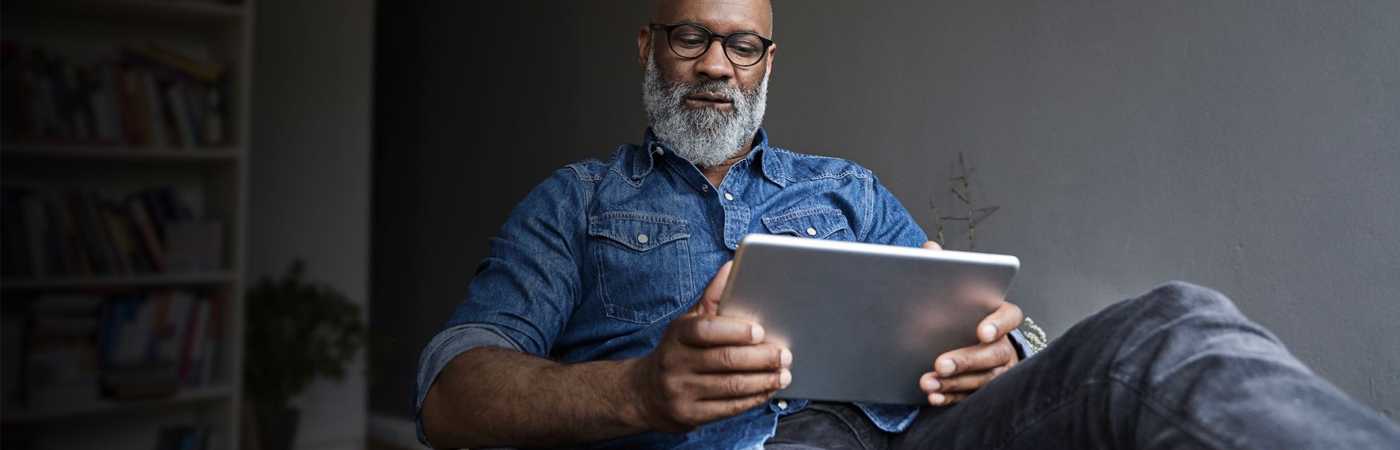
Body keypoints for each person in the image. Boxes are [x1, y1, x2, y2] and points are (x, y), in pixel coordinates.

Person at [414, 0, 1400, 448]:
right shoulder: (577, 201)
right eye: (690, 36)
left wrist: (1003, 347)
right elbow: (453, 396)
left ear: (767, 62)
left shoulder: (845, 188)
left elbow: (967, 306)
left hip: (911, 439)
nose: (716, 65)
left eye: (743, 45)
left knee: (1168, 332)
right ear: (647, 45)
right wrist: (637, 391)